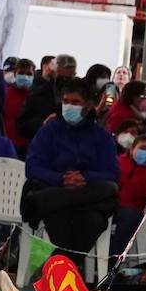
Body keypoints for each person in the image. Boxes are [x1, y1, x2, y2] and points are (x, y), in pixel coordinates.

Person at [23, 80, 120, 271]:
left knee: (105, 197)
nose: (69, 106)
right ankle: (65, 270)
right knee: (63, 218)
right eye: (66, 101)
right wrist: (61, 179)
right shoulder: (48, 132)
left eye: (75, 102)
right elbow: (33, 167)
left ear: (89, 105)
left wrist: (85, 177)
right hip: (56, 192)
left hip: (80, 199)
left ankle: (56, 268)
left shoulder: (102, 137)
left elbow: (112, 173)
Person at [112, 133, 146, 258]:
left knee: (130, 218)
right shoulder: (119, 162)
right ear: (132, 149)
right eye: (142, 148)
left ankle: (112, 260)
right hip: (110, 203)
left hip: (132, 209)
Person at [18, 53, 77, 143]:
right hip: (43, 144)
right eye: (61, 77)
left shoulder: (82, 98)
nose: (64, 81)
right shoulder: (38, 94)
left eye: (68, 78)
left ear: (74, 75)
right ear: (54, 72)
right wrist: (43, 123)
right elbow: (22, 125)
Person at [2, 58, 35, 155]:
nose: (25, 76)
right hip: (8, 145)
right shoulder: (5, 94)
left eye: (29, 74)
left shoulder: (38, 96)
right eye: (21, 73)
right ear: (15, 74)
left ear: (34, 76)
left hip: (31, 146)